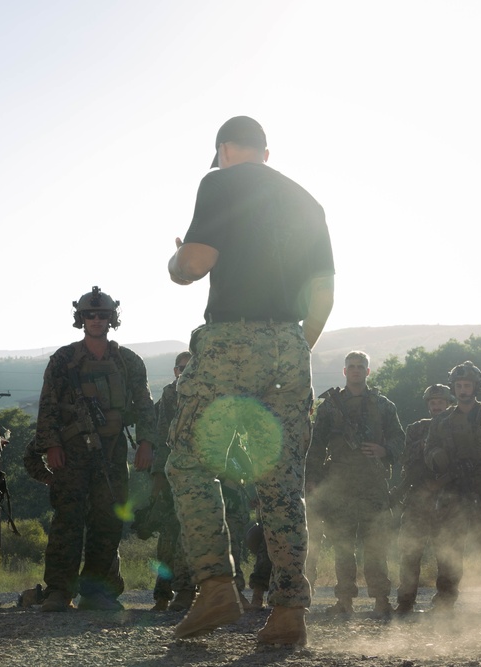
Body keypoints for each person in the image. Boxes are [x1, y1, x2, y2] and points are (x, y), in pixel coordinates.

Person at [166, 115, 335, 645]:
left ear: (225, 150)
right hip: (291, 343)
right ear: (266, 150)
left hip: (231, 341)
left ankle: (217, 583)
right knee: (281, 483)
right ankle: (289, 614)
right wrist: (291, 348)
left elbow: (195, 264)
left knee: (187, 459)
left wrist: (177, 257)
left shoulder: (221, 181)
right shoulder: (308, 201)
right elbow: (324, 294)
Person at [34, 286, 156, 612]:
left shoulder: (128, 361)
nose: (97, 320)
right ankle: (60, 590)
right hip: (71, 452)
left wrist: (146, 442)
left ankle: (95, 591)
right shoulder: (63, 360)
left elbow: (144, 406)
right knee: (67, 520)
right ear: (81, 318)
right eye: (91, 314)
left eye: (103, 315)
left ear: (111, 319)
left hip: (113, 451)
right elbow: (48, 407)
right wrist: (52, 445)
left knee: (108, 520)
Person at [307, 351, 405, 618]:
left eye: (361, 366)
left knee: (375, 545)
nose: (356, 370)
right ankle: (345, 601)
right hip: (340, 484)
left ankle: (381, 600)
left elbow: (400, 438)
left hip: (373, 484)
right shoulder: (329, 407)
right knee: (343, 546)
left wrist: (384, 450)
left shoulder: (384, 405)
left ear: (368, 371)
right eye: (351, 366)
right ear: (344, 371)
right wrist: (313, 481)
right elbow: (316, 447)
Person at [423, 362, 481, 612]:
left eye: (468, 385)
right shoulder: (441, 421)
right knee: (450, 550)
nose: (463, 390)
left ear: (476, 387)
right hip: (453, 492)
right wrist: (438, 456)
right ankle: (445, 600)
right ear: (454, 388)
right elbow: (428, 451)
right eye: (459, 386)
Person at [394, 384, 453, 614]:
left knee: (446, 553)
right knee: (410, 551)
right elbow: (407, 460)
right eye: (432, 402)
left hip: (447, 498)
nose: (436, 406)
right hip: (418, 497)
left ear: (448, 403)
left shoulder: (457, 425)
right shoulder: (417, 428)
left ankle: (445, 602)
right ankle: (405, 601)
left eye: (440, 402)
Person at [149, 351, 196, 612]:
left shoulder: (206, 393)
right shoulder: (169, 395)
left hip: (198, 472)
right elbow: (160, 437)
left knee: (188, 535)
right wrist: (158, 477)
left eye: (189, 368)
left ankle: (186, 591)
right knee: (167, 537)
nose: (184, 373)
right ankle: (162, 594)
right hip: (170, 472)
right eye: (180, 368)